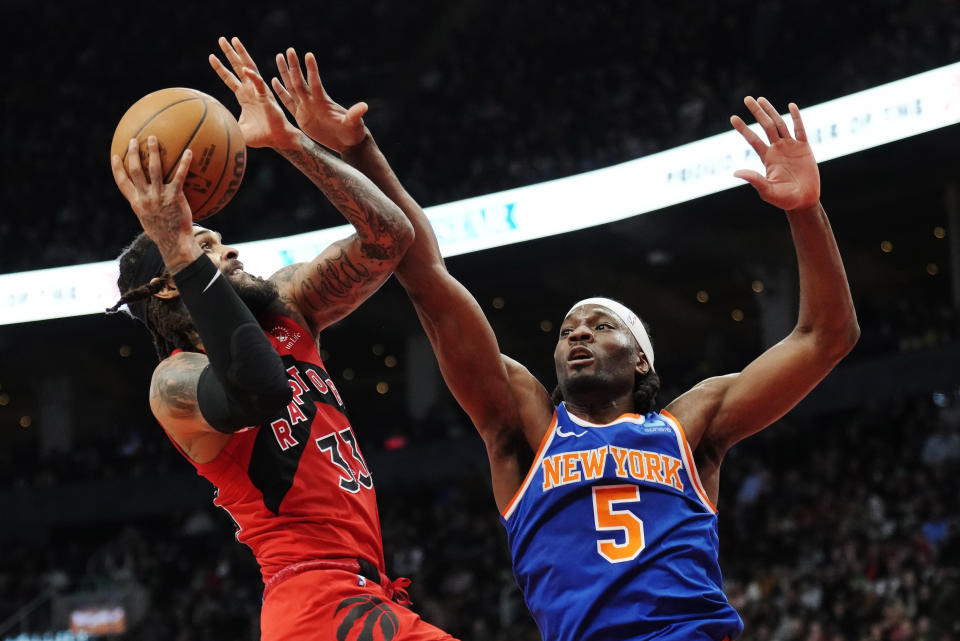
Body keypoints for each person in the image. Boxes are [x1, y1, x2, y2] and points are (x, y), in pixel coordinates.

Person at [272, 48, 859, 641]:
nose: (577, 332)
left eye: (602, 325)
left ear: (640, 358)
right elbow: (427, 276)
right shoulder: (524, 424)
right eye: (568, 330)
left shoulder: (694, 424)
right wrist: (356, 148)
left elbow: (826, 336)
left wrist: (806, 210)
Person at [109, 36, 459, 641]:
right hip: (315, 601)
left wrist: (294, 144)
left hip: (362, 595)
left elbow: (390, 238)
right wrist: (179, 244)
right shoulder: (176, 382)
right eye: (208, 247)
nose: (233, 251)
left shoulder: (286, 306)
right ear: (171, 286)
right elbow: (261, 389)